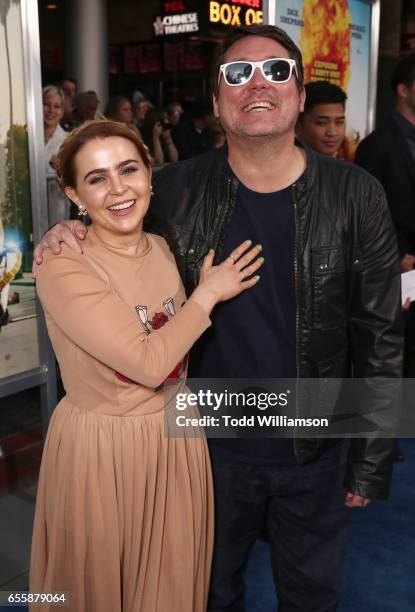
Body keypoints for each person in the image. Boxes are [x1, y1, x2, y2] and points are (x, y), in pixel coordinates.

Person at [34, 25, 402, 612]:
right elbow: (113, 225)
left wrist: (371, 461)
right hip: (202, 446)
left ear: (301, 95)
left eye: (277, 71)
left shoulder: (358, 195)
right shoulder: (173, 190)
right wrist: (67, 229)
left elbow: (381, 336)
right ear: (216, 101)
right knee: (203, 596)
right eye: (238, 73)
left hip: (315, 444)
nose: (257, 84)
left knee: (312, 598)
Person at [30, 120, 263, 612]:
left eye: (128, 169)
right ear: (74, 193)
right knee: (97, 588)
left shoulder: (160, 246)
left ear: (149, 174)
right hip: (104, 449)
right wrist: (208, 295)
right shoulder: (62, 263)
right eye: (96, 178)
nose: (118, 189)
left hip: (178, 440)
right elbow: (148, 363)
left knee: (172, 587)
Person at [355, 53, 415, 463]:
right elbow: (366, 211)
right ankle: (379, 437)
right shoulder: (377, 145)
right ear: (403, 89)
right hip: (395, 267)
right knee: (386, 349)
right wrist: (395, 256)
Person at [296, 80, 347, 157]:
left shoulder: (347, 168)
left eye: (339, 122)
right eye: (321, 123)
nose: (332, 133)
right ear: (297, 124)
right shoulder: (280, 165)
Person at [42, 85, 67, 175]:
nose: (51, 110)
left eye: (57, 106)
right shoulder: (24, 136)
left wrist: (62, 169)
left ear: (62, 112)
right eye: (47, 104)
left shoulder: (68, 142)